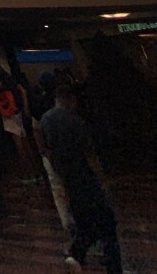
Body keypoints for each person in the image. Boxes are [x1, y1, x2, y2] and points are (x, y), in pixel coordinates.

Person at [40, 84, 123, 273]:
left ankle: (76, 255)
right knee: (106, 222)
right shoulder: (76, 121)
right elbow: (89, 153)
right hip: (85, 177)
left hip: (68, 178)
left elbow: (46, 149)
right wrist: (102, 179)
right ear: (72, 99)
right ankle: (113, 265)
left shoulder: (46, 119)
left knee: (84, 222)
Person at [31, 71, 74, 236]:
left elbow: (36, 129)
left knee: (58, 189)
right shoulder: (61, 105)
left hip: (50, 153)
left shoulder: (39, 105)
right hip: (68, 153)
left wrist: (43, 150)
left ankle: (66, 222)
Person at [0, 53, 39, 178]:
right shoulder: (8, 75)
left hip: (10, 112)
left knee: (19, 142)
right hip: (17, 110)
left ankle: (29, 173)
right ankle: (35, 171)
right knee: (24, 140)